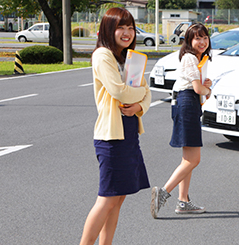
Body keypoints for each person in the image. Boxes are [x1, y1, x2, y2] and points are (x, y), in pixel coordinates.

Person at [80, 7, 151, 245]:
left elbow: (147, 97)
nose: (127, 32)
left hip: (129, 132)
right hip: (110, 136)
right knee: (107, 198)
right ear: (109, 29)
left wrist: (138, 107)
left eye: (131, 27)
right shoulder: (103, 55)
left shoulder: (129, 57)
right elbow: (118, 91)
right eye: (121, 27)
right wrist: (141, 94)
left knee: (118, 198)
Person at [150, 23, 212, 218]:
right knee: (194, 159)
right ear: (189, 41)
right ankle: (164, 192)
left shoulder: (198, 59)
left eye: (205, 38)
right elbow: (197, 89)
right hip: (186, 103)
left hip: (186, 103)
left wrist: (205, 86)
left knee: (188, 159)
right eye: (197, 38)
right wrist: (207, 89)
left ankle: (183, 201)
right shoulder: (190, 58)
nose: (202, 42)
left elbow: (198, 86)